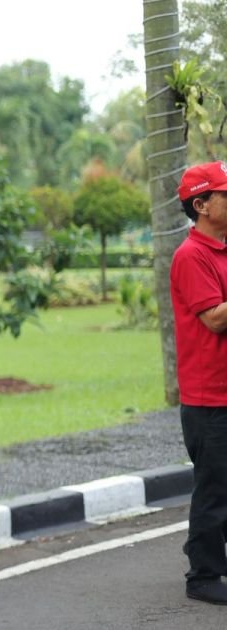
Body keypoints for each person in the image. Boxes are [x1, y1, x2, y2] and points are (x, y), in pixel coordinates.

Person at [170, 161, 227, 605]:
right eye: (225, 195)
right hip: (211, 397)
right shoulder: (191, 257)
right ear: (202, 204)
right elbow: (214, 318)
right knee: (214, 488)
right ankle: (203, 575)